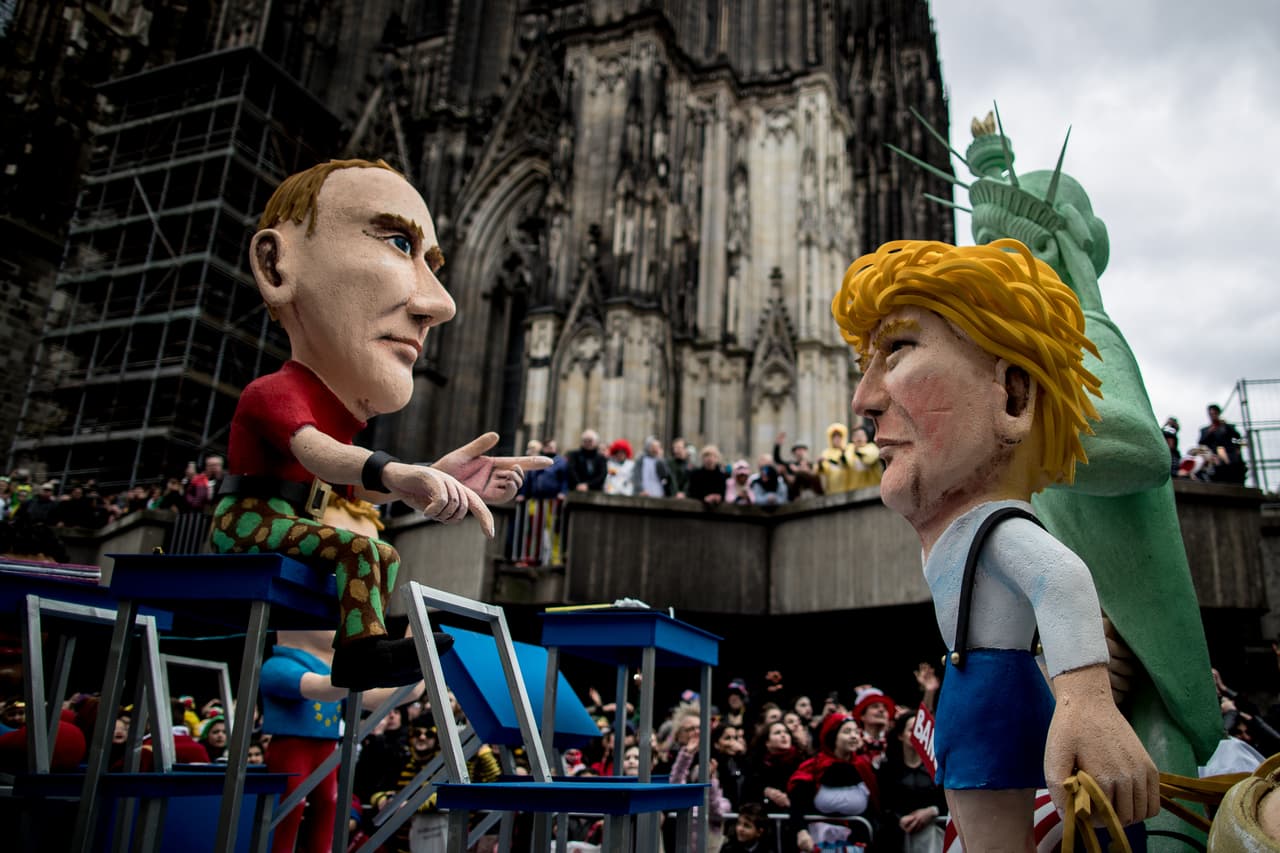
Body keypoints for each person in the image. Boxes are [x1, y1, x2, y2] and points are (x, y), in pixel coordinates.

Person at [837, 238, 1158, 848]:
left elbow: (1060, 578)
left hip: (992, 698)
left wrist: (1087, 701)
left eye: (899, 350)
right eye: (868, 366)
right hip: (977, 697)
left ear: (1012, 396)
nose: (864, 401)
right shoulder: (958, 529)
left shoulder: (999, 528)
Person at [209, 158, 547, 691]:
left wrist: (435, 475)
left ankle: (362, 649)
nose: (443, 303)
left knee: (376, 550)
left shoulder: (330, 408)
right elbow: (319, 456)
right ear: (275, 268)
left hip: (289, 525)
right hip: (246, 524)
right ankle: (361, 652)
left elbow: (347, 484)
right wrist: (397, 473)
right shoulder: (274, 392)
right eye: (398, 243)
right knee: (362, 549)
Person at [877, 711, 947, 853]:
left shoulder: (936, 767)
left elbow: (946, 800)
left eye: (919, 730)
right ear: (900, 735)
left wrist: (932, 811)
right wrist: (899, 819)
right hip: (897, 838)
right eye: (911, 730)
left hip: (933, 836)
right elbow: (883, 803)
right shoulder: (887, 768)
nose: (916, 734)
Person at [1198, 404, 1247, 484]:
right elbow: (1201, 443)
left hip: (1229, 457)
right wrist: (1209, 432)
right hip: (1213, 458)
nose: (1213, 416)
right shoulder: (1205, 430)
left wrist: (1238, 449)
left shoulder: (1228, 427)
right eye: (1211, 414)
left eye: (1215, 413)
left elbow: (1238, 438)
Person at [816, 424, 854, 495]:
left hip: (848, 488)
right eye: (834, 437)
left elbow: (849, 464)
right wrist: (820, 463)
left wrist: (843, 454)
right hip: (832, 489)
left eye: (839, 437)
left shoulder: (849, 448)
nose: (837, 439)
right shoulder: (826, 452)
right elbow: (822, 471)